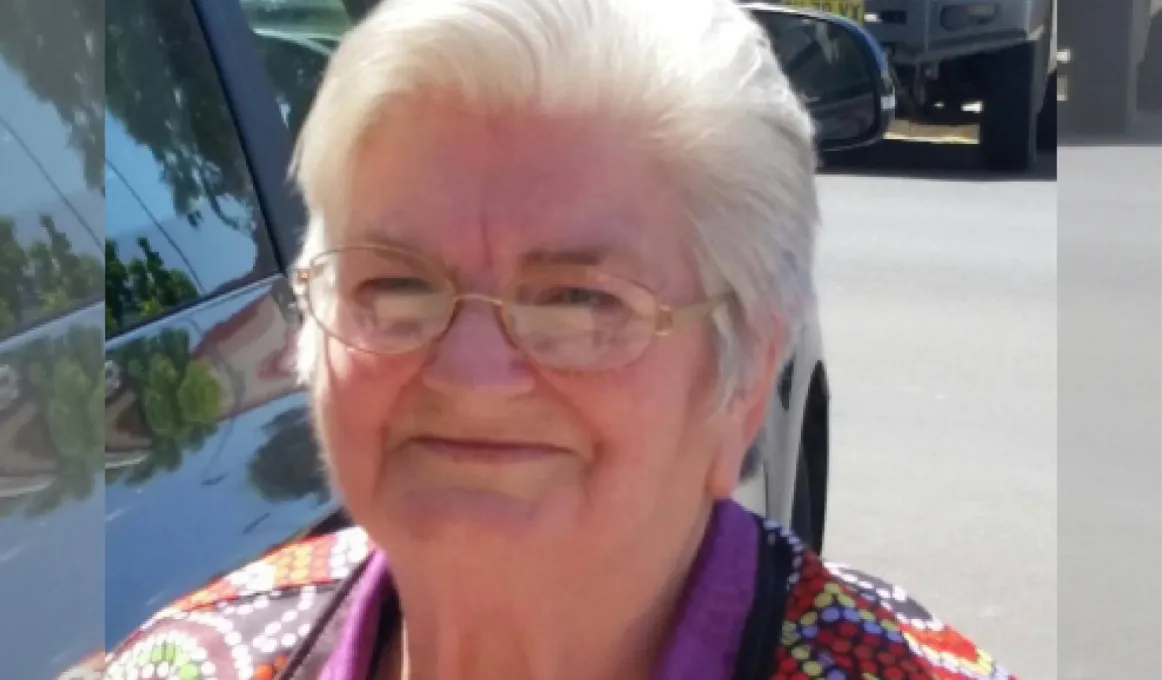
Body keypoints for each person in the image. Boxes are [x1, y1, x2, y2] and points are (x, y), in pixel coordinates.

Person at [105, 0, 1017, 678]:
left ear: (743, 383)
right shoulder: (191, 662)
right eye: (398, 284)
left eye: (581, 302)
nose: (468, 373)